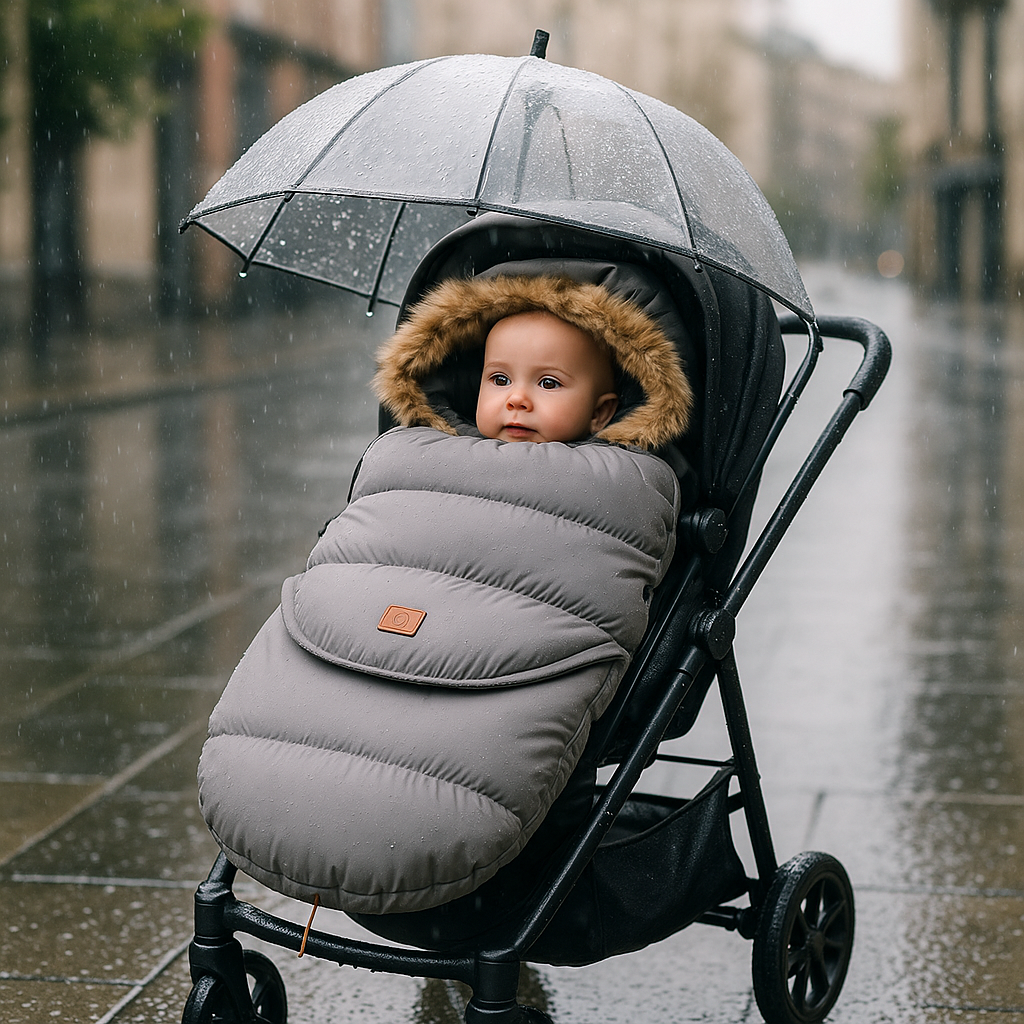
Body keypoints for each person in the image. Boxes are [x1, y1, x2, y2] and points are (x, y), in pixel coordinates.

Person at [474, 309, 619, 444]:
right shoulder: (457, 453)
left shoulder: (607, 469)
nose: (516, 399)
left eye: (548, 383)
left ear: (598, 413)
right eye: (501, 380)